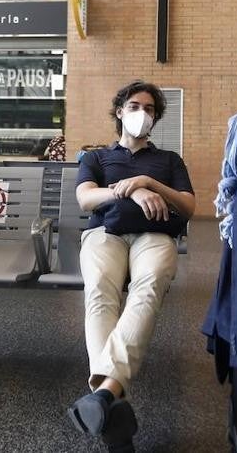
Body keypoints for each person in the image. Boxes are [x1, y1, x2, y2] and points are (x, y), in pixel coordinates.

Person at [67, 81, 196, 453]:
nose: (143, 113)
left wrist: (150, 181)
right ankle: (112, 405)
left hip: (154, 236)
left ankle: (105, 395)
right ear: (120, 111)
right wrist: (131, 189)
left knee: (150, 285)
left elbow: (187, 207)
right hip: (105, 233)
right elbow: (86, 198)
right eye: (135, 106)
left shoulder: (170, 160)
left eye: (151, 109)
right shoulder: (96, 157)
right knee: (99, 292)